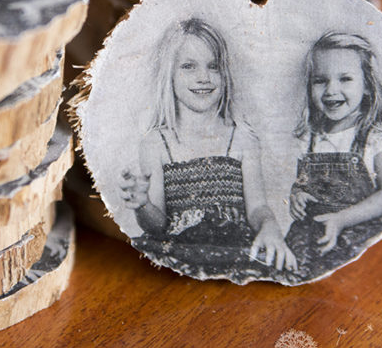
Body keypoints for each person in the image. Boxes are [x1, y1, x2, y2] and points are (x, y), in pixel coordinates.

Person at [120, 17, 296, 277]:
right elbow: (157, 226)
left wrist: (269, 226)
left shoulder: (243, 139)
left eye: (213, 66)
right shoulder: (156, 143)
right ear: (169, 74)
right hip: (181, 255)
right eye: (188, 66)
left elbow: (257, 207)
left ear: (225, 73)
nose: (203, 77)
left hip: (235, 250)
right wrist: (142, 203)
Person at [281, 32, 382, 280]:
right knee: (290, 268)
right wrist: (298, 195)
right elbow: (302, 183)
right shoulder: (309, 137)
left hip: (361, 229)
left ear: (367, 84)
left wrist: (343, 219)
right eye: (320, 80)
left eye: (345, 79)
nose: (331, 90)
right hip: (315, 232)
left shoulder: (378, 136)